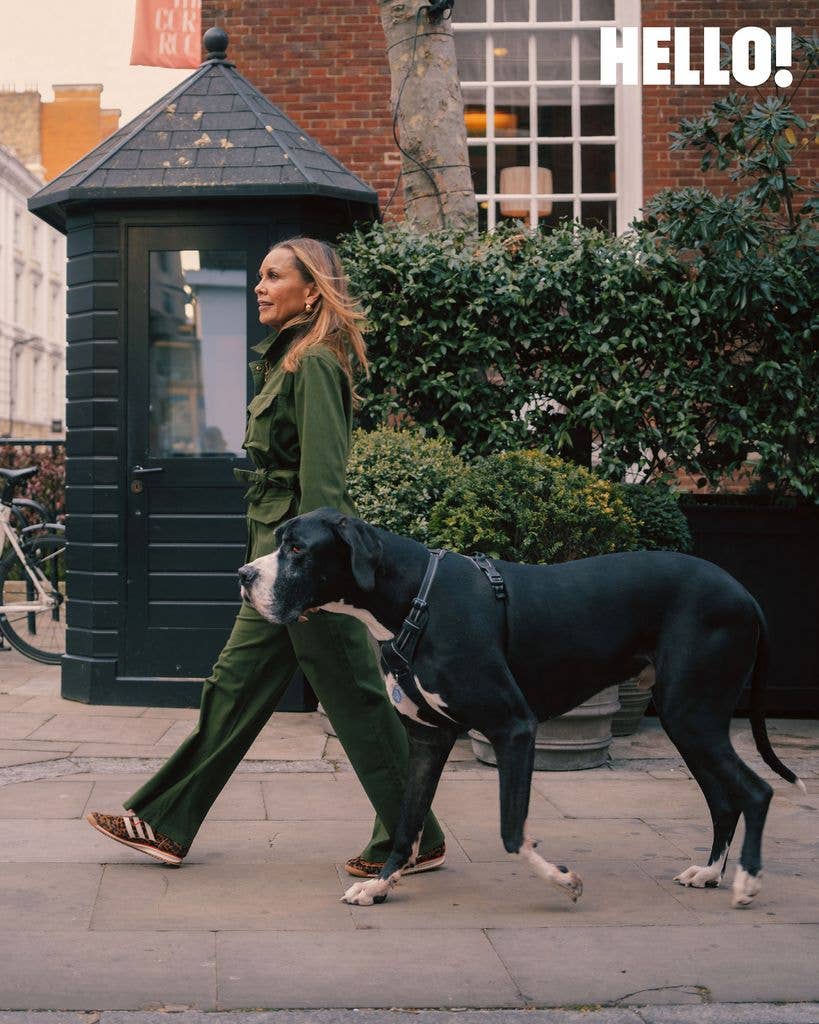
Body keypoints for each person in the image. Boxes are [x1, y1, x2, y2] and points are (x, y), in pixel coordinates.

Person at [86, 237, 446, 877]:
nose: (260, 286)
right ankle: (165, 822)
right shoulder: (287, 359)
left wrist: (309, 578)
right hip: (278, 555)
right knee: (236, 686)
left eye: (274, 276)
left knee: (356, 698)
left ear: (311, 292)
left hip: (304, 570)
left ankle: (412, 838)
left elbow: (324, 484)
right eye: (260, 275)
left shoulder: (315, 364)